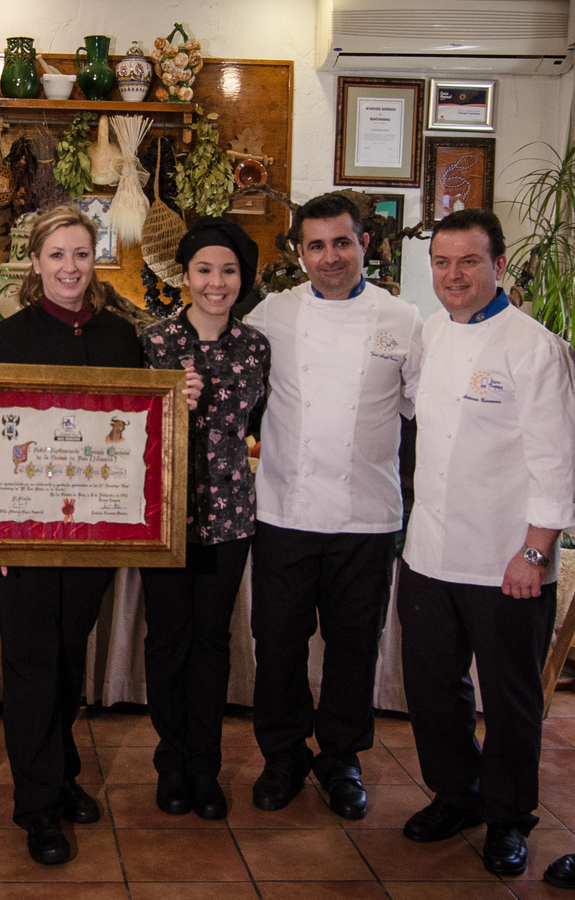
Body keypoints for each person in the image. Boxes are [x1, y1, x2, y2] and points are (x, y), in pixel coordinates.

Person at [0, 205, 201, 865]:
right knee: (31, 665)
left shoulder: (119, 339)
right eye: (57, 256)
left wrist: (175, 398)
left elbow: (135, 432)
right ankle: (37, 806)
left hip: (92, 533)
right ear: (35, 264)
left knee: (70, 657)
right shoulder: (4, 339)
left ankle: (61, 770)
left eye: (80, 254)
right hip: (22, 538)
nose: (69, 268)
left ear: (94, 258)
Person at [397, 208, 575, 877]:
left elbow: (558, 462)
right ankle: (456, 794)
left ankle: (508, 816)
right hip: (430, 553)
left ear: (497, 266)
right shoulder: (429, 335)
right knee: (433, 689)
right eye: (442, 263)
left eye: (468, 262)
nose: (453, 275)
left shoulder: (534, 347)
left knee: (509, 699)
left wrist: (535, 553)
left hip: (509, 561)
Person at [244, 193, 423, 819]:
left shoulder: (404, 320)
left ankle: (342, 757)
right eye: (315, 245)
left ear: (364, 244)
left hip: (369, 515)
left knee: (354, 645)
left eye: (341, 242)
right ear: (299, 252)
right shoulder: (272, 314)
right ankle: (283, 754)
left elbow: (428, 412)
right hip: (285, 511)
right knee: (279, 641)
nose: (329, 257)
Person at [139, 218, 270, 820]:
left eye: (228, 270)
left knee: (212, 642)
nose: (215, 282)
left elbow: (263, 425)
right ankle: (170, 763)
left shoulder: (255, 345)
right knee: (168, 640)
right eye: (203, 270)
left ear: (242, 278)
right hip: (163, 519)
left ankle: (205, 766)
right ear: (184, 276)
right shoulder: (153, 342)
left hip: (229, 518)